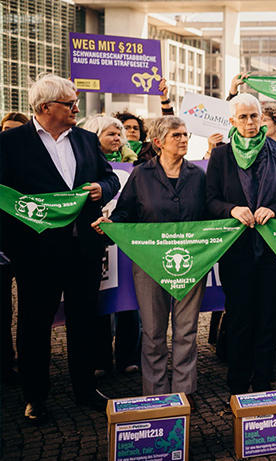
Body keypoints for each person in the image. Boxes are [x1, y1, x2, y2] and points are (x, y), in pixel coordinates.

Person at [0, 74, 120, 422]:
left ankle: (84, 389)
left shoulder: (84, 138)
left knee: (84, 321)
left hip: (84, 249)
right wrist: (16, 249)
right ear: (44, 108)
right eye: (70, 103)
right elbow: (4, 200)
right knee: (34, 326)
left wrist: (102, 186)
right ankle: (35, 396)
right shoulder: (10, 144)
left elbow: (110, 177)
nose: (76, 107)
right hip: (36, 255)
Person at [91, 116, 206, 398]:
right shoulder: (141, 175)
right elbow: (125, 212)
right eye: (176, 135)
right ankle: (155, 395)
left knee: (187, 333)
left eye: (185, 134)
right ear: (158, 142)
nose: (183, 139)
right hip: (149, 264)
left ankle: (184, 394)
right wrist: (111, 224)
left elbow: (211, 214)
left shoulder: (199, 176)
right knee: (153, 334)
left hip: (191, 263)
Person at [206, 93, 276, 396]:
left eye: (254, 116)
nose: (249, 122)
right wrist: (231, 209)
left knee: (269, 316)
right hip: (237, 250)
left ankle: (263, 379)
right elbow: (210, 200)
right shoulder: (220, 156)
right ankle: (237, 380)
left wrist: (274, 208)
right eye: (242, 117)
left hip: (272, 250)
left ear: (261, 118)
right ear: (231, 121)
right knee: (240, 316)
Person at [83, 115, 140, 377]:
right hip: (96, 239)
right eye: (111, 134)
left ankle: (128, 356)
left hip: (125, 241)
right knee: (100, 301)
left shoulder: (133, 164)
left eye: (119, 135)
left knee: (128, 300)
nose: (118, 139)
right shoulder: (84, 164)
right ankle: (99, 359)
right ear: (94, 136)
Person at [0, 112, 29, 383]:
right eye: (5, 130)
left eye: (15, 131)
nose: (7, 136)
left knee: (26, 310)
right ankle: (6, 364)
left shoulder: (28, 163)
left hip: (25, 244)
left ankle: (24, 359)